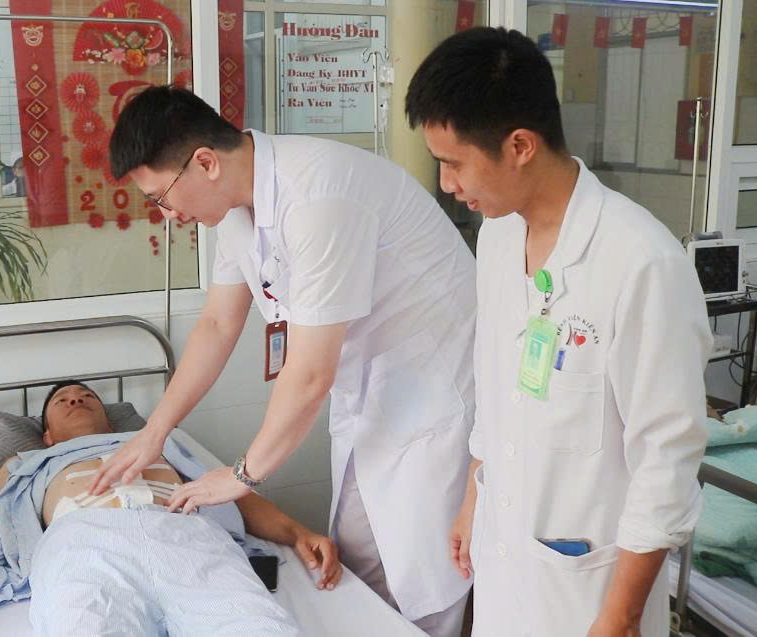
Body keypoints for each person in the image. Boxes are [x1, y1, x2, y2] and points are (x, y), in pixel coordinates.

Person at [92, 86, 477, 635]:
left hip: (432, 394)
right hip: (371, 392)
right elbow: (217, 324)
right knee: (364, 564)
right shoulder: (234, 207)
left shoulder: (319, 195)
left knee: (426, 578)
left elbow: (311, 372)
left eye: (162, 197)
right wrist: (155, 432)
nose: (168, 215)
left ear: (205, 162)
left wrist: (242, 475)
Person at [405, 27, 710, 636]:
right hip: (505, 564)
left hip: (590, 594)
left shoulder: (641, 263)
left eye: (453, 163)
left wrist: (621, 616)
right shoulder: (498, 238)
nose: (447, 184)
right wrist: (474, 499)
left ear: (520, 145)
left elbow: (666, 459)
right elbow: (496, 388)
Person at [0, 381, 342, 637]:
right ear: (47, 436)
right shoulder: (25, 463)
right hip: (83, 544)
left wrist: (298, 533)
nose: (76, 400)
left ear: (109, 418)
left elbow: (236, 496)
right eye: (62, 400)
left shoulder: (163, 444)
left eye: (86, 396)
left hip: (187, 536)